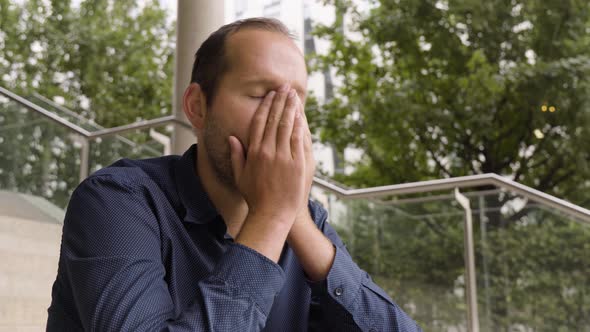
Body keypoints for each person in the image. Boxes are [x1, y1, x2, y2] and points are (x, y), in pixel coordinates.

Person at [46, 18, 422, 331]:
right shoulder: (118, 201)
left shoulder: (306, 224)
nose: (286, 120)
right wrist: (271, 218)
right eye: (262, 95)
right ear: (197, 107)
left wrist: (295, 221)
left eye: (297, 102)